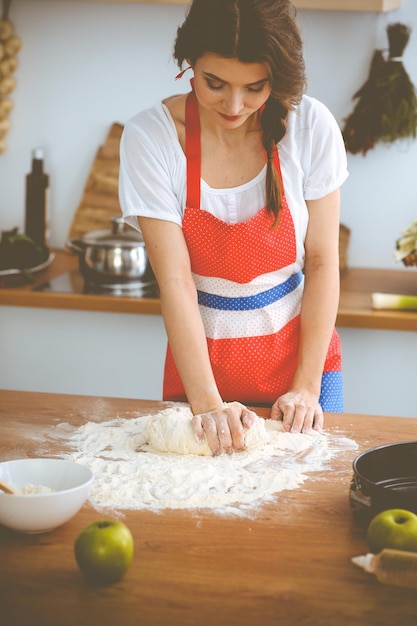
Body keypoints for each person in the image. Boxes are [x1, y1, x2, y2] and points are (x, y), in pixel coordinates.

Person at [119, 0, 348, 455]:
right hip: (200, 373)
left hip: (303, 369)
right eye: (215, 83)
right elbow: (176, 281)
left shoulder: (311, 126)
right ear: (190, 64)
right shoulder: (152, 138)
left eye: (256, 87)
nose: (235, 104)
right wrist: (206, 403)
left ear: (278, 79)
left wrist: (305, 387)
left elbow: (322, 262)